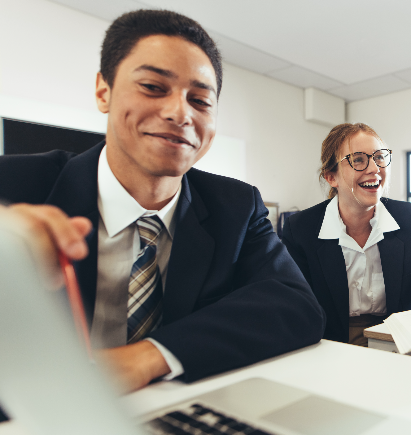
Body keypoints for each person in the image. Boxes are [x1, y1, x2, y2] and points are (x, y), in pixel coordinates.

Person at [0, 9, 325, 394]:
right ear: (103, 91)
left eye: (200, 100)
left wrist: (145, 356)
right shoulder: (13, 185)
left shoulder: (236, 205)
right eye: (153, 87)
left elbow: (296, 305)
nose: (179, 113)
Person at [281, 123, 411, 346]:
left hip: (400, 339)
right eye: (358, 159)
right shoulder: (301, 228)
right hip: (331, 343)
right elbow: (288, 302)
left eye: (379, 157)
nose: (374, 168)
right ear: (331, 177)